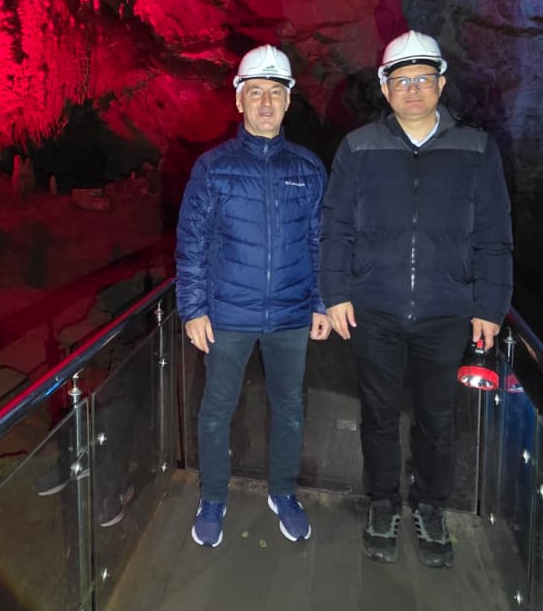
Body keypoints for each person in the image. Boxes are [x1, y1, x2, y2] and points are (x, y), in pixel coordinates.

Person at [319, 30, 513, 568]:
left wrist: (489, 306)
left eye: (422, 79)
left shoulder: (475, 149)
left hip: (445, 311)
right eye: (400, 80)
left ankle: (431, 506)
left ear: (441, 84)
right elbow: (335, 227)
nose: (411, 89)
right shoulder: (358, 147)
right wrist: (335, 292)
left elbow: (495, 234)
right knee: (378, 415)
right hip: (374, 309)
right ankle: (383, 503)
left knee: (438, 419)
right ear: (384, 88)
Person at [176, 45, 332, 547]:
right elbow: (192, 241)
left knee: (289, 407)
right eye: (256, 92)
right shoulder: (213, 168)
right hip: (228, 313)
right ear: (239, 101)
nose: (266, 102)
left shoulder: (308, 168)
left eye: (276, 93)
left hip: (290, 313)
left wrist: (321, 301)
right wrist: (193, 307)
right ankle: (213, 498)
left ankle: (283, 492)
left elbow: (319, 241)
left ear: (288, 103)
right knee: (217, 409)